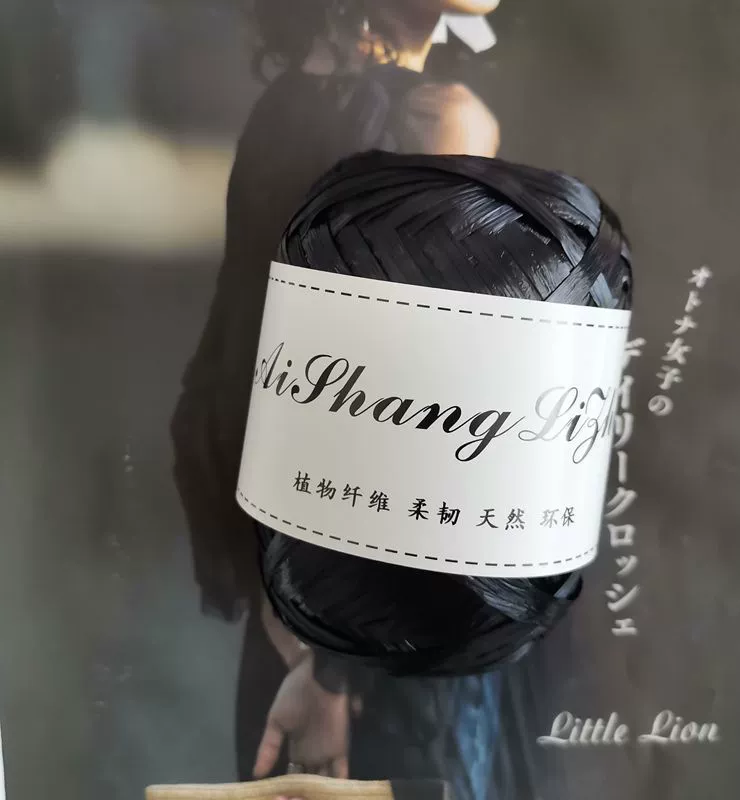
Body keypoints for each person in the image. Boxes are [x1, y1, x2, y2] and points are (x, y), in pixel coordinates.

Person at [171, 1, 502, 795]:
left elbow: (232, 397)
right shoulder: (436, 120)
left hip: (297, 630)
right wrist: (330, 670)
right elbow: (401, 426)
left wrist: (295, 642)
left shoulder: (287, 105)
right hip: (373, 657)